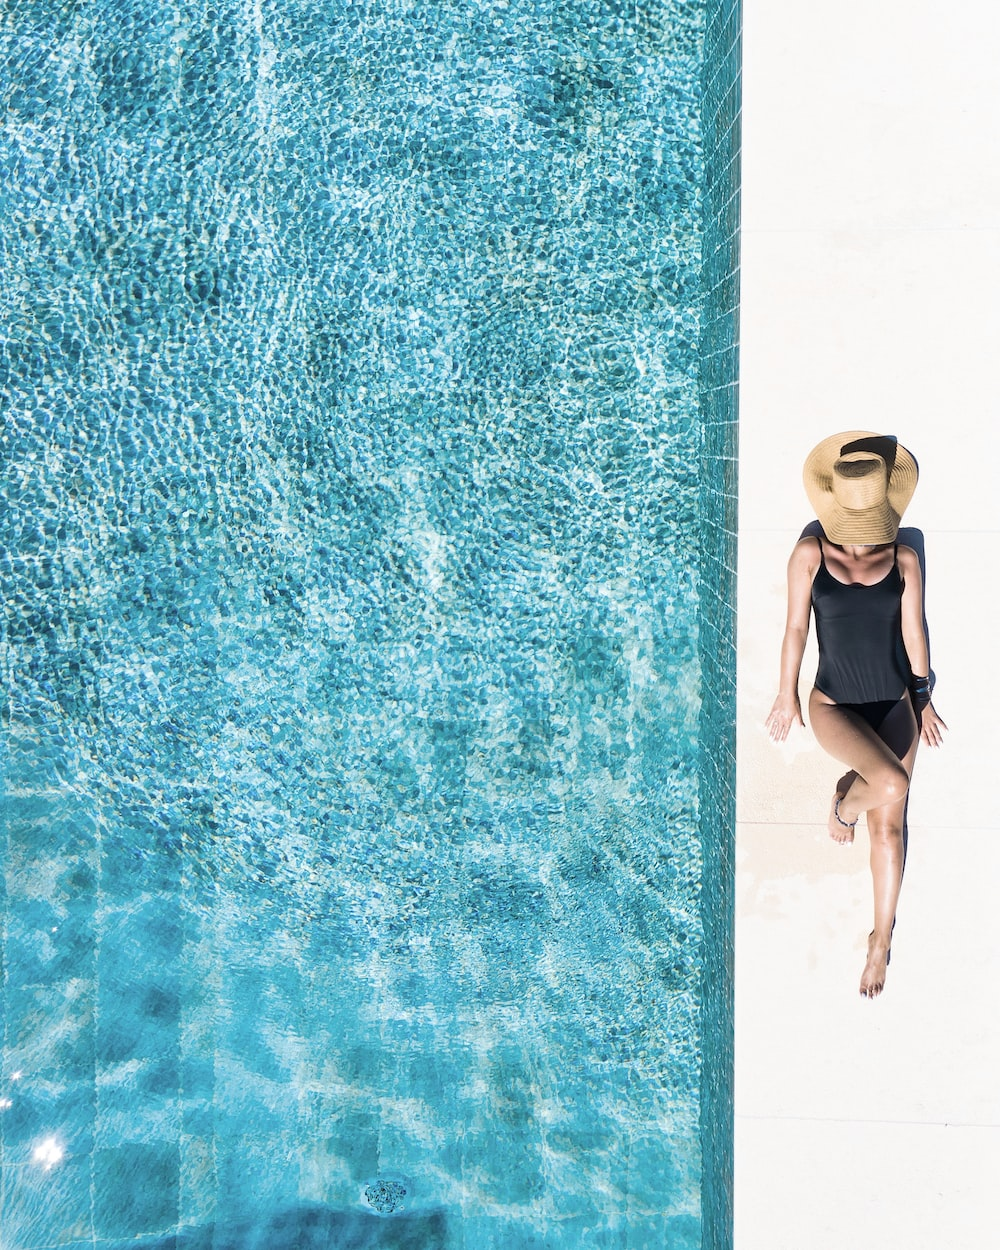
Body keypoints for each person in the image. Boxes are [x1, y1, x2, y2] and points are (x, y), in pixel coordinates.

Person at [765, 432, 948, 998]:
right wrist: (786, 692)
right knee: (889, 784)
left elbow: (913, 632)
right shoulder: (810, 554)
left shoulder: (904, 558)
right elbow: (796, 627)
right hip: (834, 703)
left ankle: (881, 939)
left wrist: (923, 695)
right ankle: (846, 805)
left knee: (891, 823)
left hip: (894, 702)